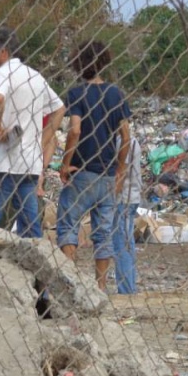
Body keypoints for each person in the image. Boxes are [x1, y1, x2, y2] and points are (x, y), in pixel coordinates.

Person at [0, 27, 65, 237]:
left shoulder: (4, 72)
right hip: (29, 163)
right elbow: (59, 108)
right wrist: (42, 141)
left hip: (3, 163)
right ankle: (35, 260)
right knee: (29, 222)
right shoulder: (35, 76)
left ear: (3, 51)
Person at [57, 41, 131, 291]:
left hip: (83, 170)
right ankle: (100, 287)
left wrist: (65, 164)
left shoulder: (77, 94)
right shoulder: (116, 94)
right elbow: (126, 136)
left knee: (68, 223)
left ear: (78, 65)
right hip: (108, 174)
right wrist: (120, 168)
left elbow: (75, 129)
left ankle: (70, 283)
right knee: (103, 231)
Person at [112, 134, 143, 294]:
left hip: (123, 198)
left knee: (121, 243)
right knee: (126, 242)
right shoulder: (130, 140)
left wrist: (112, 197)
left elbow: (121, 173)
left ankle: (126, 289)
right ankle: (128, 286)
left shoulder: (123, 142)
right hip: (130, 197)